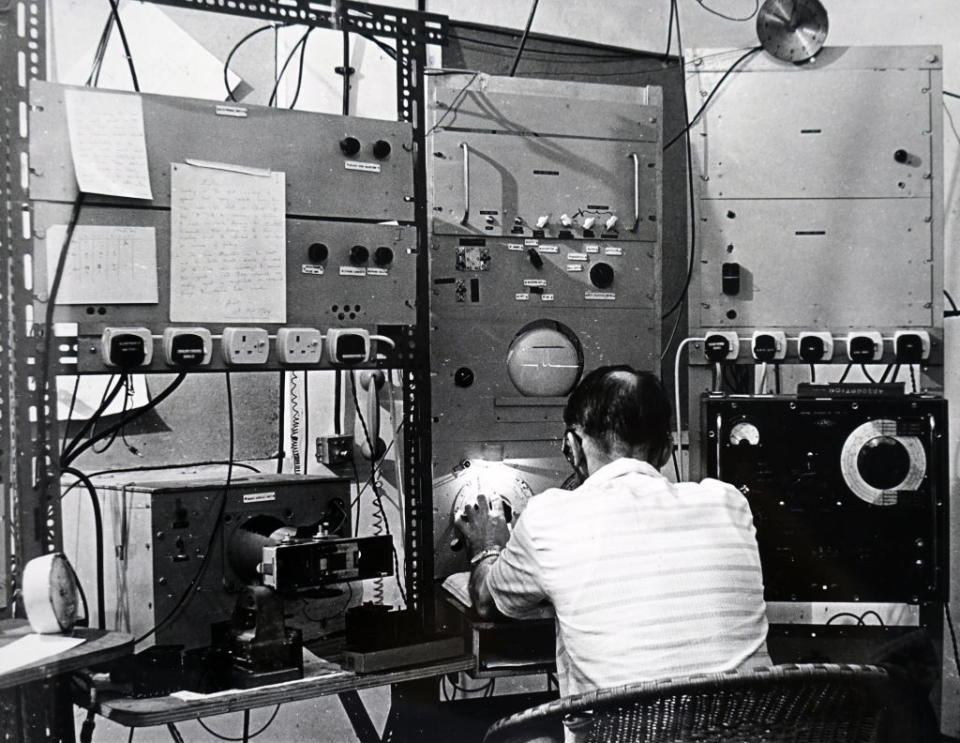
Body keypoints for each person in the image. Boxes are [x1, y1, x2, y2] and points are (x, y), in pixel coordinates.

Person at [454, 365, 771, 702]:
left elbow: (487, 603)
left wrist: (487, 546)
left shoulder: (548, 515)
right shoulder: (728, 502)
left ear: (572, 447)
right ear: (666, 450)